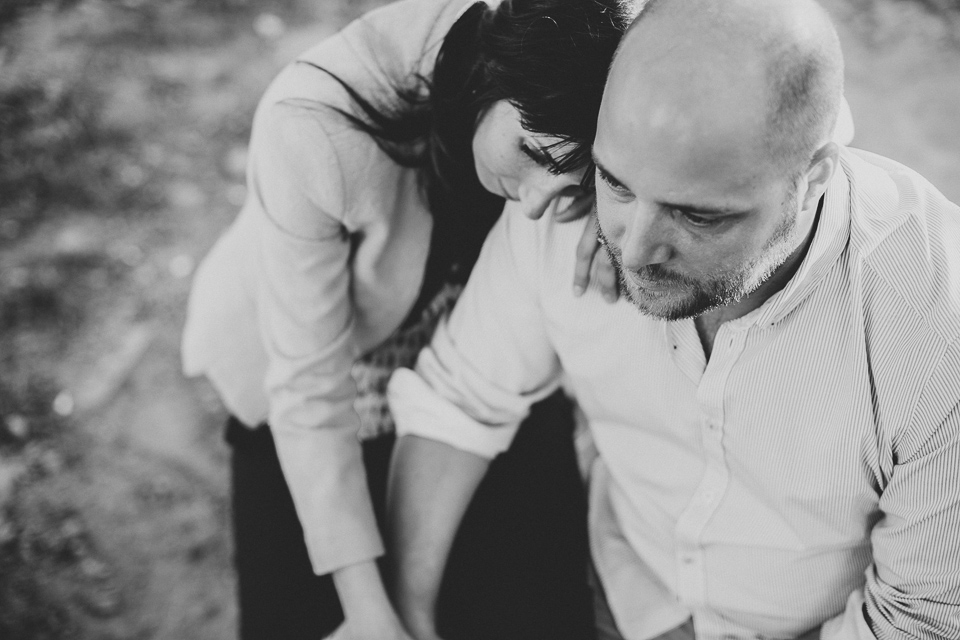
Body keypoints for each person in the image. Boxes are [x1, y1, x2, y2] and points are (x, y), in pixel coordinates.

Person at [386, 0, 960, 638]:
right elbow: (458, 399)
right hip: (616, 589)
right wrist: (402, 620)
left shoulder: (936, 328)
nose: (633, 252)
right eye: (618, 183)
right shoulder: (567, 212)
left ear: (815, 175)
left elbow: (920, 620)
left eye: (698, 216)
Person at [180, 0, 634, 638]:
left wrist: (615, 206)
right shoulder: (313, 124)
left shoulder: (584, 66)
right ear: (489, 75)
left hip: (468, 358)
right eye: (533, 153)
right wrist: (368, 611)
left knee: (539, 608)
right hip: (310, 376)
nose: (537, 204)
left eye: (571, 177)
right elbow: (309, 391)